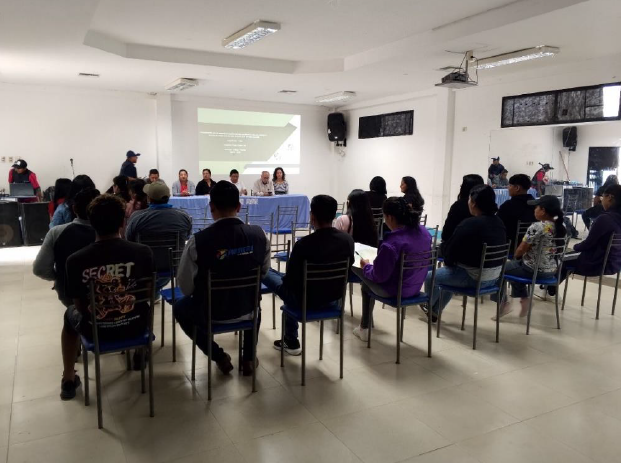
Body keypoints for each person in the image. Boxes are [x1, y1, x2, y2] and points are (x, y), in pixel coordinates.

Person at [62, 194, 154, 400]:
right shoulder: (143, 252)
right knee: (143, 308)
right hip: (137, 326)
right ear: (122, 222)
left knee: (69, 315)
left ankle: (68, 378)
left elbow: (79, 305)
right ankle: (140, 353)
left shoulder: (75, 260)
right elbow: (148, 293)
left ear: (92, 223)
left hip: (96, 331)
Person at [173, 181, 270, 375]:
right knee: (255, 300)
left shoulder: (197, 241)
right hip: (247, 309)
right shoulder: (259, 235)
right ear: (239, 207)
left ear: (211, 207)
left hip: (209, 312)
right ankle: (249, 358)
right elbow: (264, 272)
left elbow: (185, 287)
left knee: (180, 308)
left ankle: (218, 356)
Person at [262, 195, 354, 355]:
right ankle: (290, 338)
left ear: (312, 216)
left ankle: (291, 339)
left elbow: (290, 282)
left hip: (303, 299)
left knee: (264, 271)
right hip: (333, 298)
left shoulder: (303, 245)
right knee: (280, 276)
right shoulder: (347, 240)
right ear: (334, 215)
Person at [353, 197, 431, 341]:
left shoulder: (392, 244)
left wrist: (366, 266)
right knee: (367, 282)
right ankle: (365, 325)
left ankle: (364, 327)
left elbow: (379, 276)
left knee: (357, 268)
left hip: (395, 291)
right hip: (416, 287)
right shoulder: (424, 232)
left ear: (389, 217)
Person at [425, 185, 506, 321]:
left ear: (473, 203)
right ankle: (434, 311)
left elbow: (449, 254)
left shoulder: (469, 224)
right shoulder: (499, 222)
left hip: (474, 278)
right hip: (495, 278)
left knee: (430, 277)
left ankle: (428, 304)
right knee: (450, 275)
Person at [494, 195, 566, 319]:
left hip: (533, 270)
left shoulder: (537, 226)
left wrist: (516, 256)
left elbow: (521, 250)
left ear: (543, 210)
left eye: (536, 207)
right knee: (514, 267)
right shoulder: (561, 227)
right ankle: (524, 300)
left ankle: (503, 303)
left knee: (499, 269)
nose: (534, 210)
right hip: (552, 271)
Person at [33, 188, 99, 307]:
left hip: (68, 293)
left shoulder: (56, 232)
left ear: (74, 208)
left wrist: (59, 277)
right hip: (105, 291)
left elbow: (40, 269)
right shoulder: (110, 233)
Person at [564, 184, 621, 281]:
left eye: (602, 197)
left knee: (562, 260)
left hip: (597, 263)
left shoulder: (605, 219)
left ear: (609, 198)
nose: (601, 200)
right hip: (616, 264)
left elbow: (588, 244)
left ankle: (551, 287)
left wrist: (575, 247)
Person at [125, 181, 192, 244]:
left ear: (148, 198)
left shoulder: (137, 217)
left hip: (145, 252)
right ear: (169, 197)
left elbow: (129, 238)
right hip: (175, 252)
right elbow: (187, 237)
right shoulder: (184, 216)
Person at [441, 174, 484, 245]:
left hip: (460, 248)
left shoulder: (459, 206)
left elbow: (446, 235)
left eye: (462, 185)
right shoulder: (487, 210)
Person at [497, 174, 536, 247]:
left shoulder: (508, 206)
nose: (508, 188)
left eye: (510, 185)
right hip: (531, 246)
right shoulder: (536, 206)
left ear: (517, 188)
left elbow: (497, 225)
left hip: (511, 246)